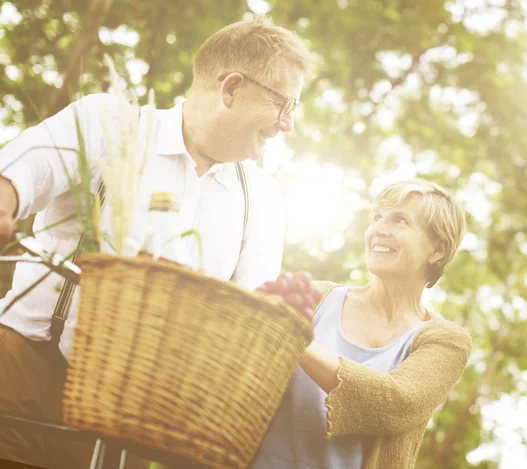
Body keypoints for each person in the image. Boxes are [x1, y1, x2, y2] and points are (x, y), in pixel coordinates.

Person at [0, 16, 313, 469]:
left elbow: (250, 313)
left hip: (132, 426)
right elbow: (27, 167)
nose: (287, 125)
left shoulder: (260, 199)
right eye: (283, 105)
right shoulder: (113, 123)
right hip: (23, 374)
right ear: (231, 89)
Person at [250, 178, 472, 469]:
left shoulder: (446, 341)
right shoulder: (314, 297)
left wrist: (296, 340)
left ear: (437, 249)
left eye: (399, 220)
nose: (379, 229)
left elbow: (395, 405)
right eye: (376, 217)